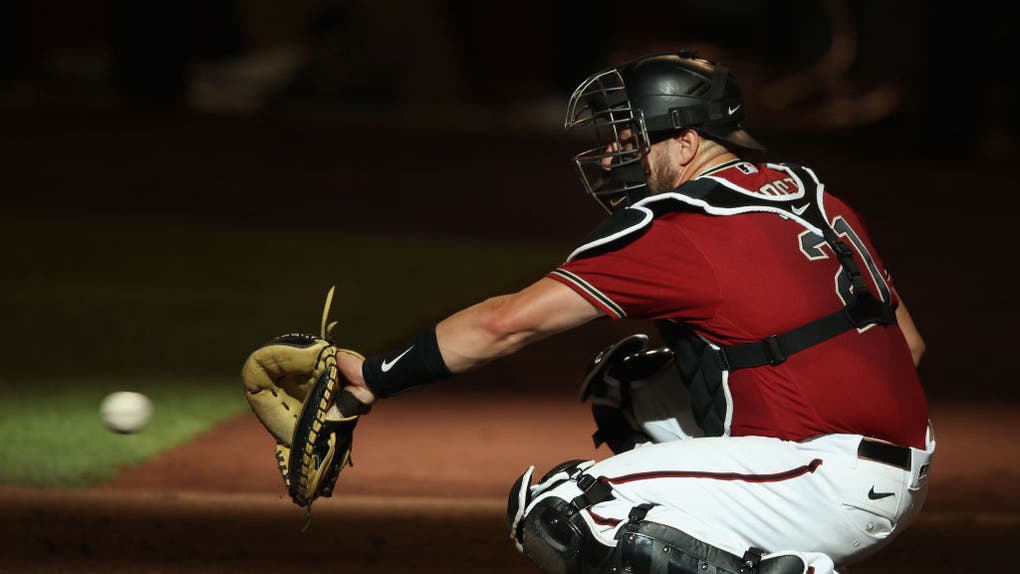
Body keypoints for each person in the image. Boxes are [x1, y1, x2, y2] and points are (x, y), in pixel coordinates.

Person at [335, 49, 933, 574]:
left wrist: (375, 377)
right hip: (899, 464)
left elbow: (505, 323)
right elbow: (908, 345)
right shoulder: (814, 194)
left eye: (630, 136)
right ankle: (769, 551)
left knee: (567, 509)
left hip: (826, 482)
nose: (615, 152)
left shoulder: (680, 227)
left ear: (686, 142)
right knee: (633, 391)